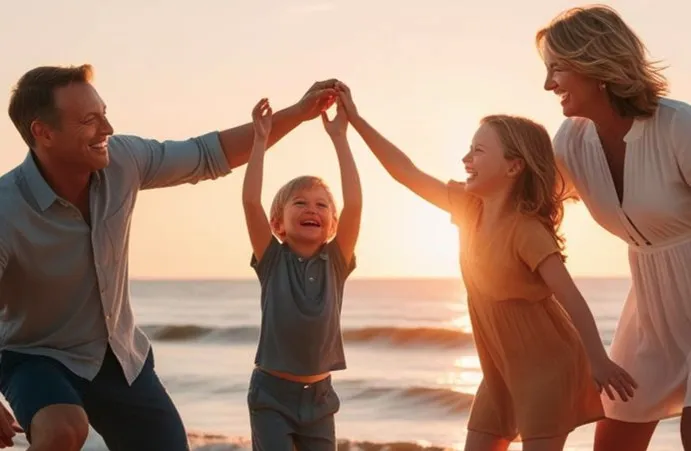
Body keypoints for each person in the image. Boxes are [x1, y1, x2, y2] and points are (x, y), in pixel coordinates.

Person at [0, 64, 338, 451]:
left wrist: (299, 111)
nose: (107, 129)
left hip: (120, 356)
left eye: (105, 114)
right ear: (42, 132)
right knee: (62, 429)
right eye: (89, 120)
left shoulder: (123, 160)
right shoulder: (5, 209)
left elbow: (208, 154)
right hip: (38, 357)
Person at [334, 82, 636, 451]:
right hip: (499, 369)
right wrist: (356, 121)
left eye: (478, 151)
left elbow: (571, 298)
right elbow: (405, 172)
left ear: (514, 166)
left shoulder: (526, 230)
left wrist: (598, 360)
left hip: (547, 369)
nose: (466, 159)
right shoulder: (468, 208)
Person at [536, 5, 691, 451]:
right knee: (614, 441)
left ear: (594, 63)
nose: (548, 85)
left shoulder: (677, 126)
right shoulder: (571, 141)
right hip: (651, 307)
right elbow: (526, 201)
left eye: (557, 69)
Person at [242, 95, 361, 451]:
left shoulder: (337, 261)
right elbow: (251, 202)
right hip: (271, 396)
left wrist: (340, 138)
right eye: (301, 203)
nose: (313, 209)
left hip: (320, 399)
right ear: (277, 223)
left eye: (322, 205)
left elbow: (354, 203)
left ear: (332, 224)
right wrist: (259, 142)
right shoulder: (272, 259)